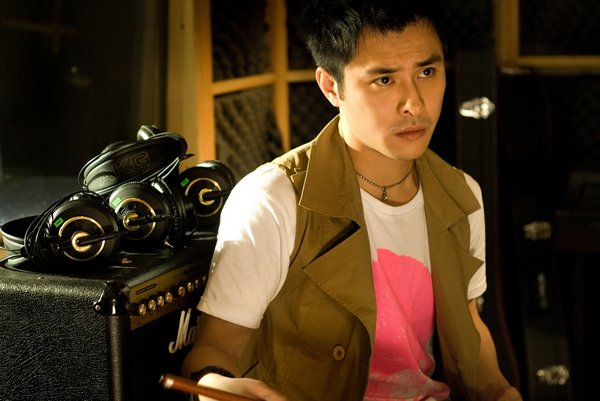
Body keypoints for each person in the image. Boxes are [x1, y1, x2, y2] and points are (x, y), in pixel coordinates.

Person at [182, 1, 523, 400]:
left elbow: (468, 326)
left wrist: (501, 392)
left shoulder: (461, 194)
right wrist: (215, 386)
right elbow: (215, 347)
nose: (414, 104)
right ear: (331, 86)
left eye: (427, 72)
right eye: (385, 80)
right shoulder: (273, 199)